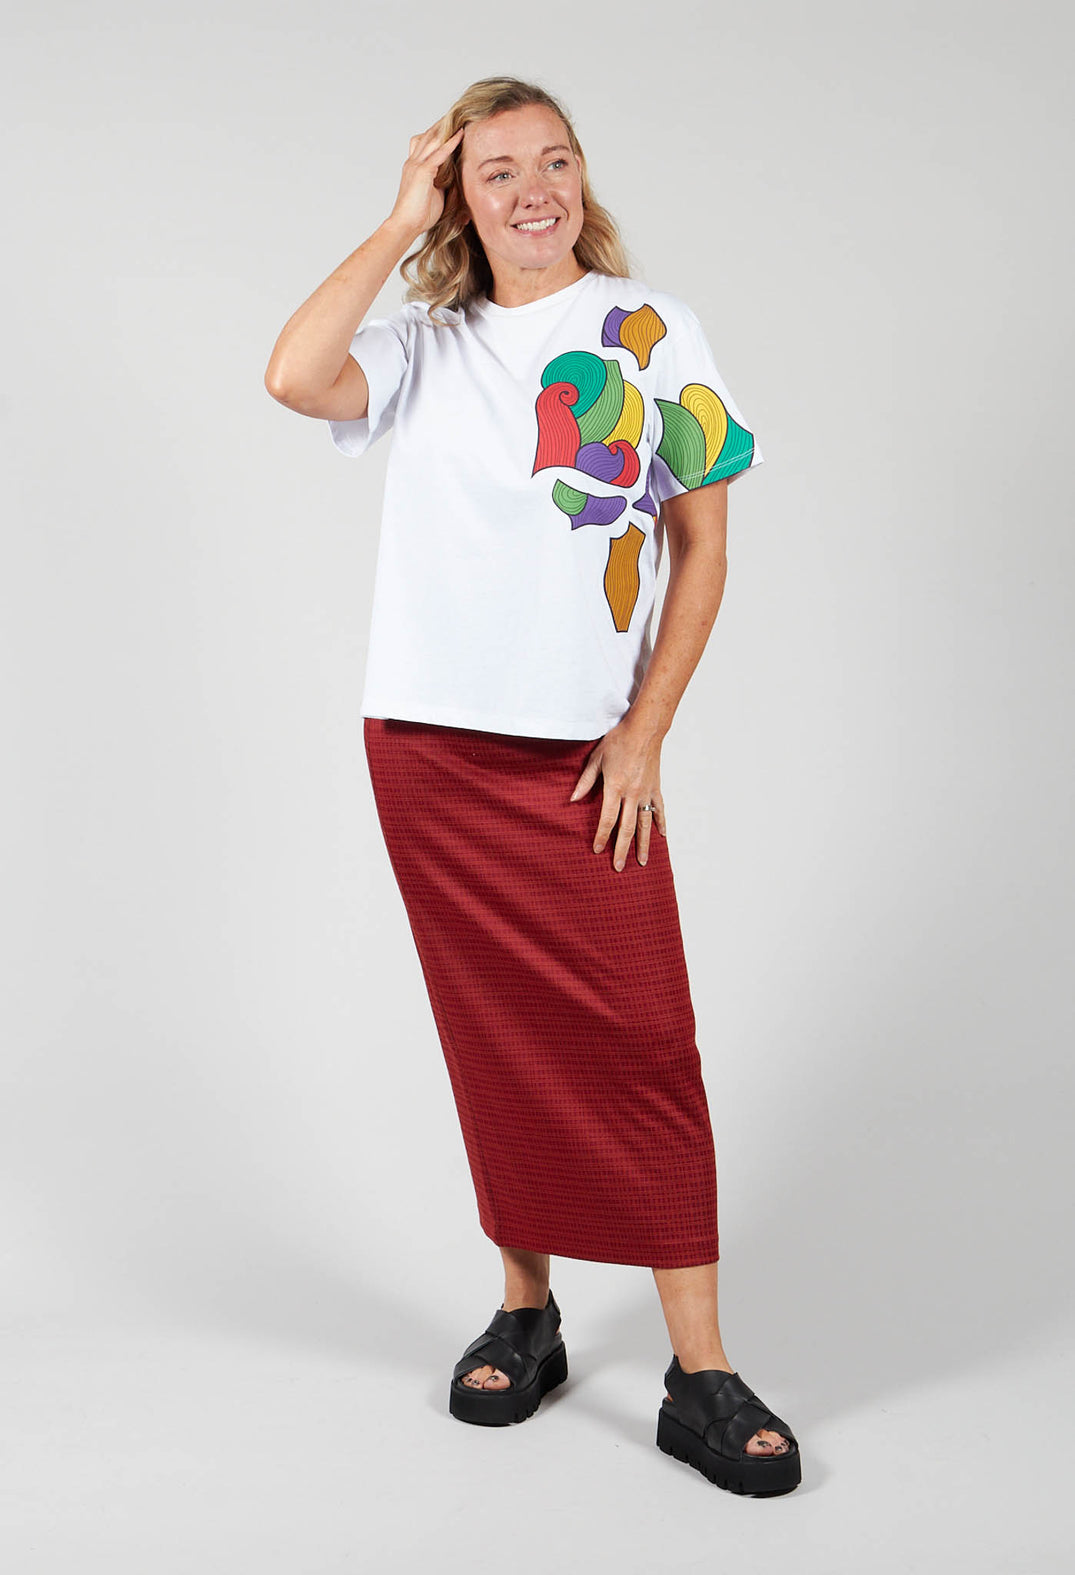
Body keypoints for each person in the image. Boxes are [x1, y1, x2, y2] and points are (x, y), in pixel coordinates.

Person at [265, 75, 801, 1497]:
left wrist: (644, 733)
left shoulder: (650, 330)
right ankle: (526, 1313)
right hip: (429, 752)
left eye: (554, 160)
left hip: (578, 756)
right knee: (493, 1036)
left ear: (582, 179)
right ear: (460, 196)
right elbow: (294, 376)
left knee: (645, 1040)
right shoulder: (426, 346)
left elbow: (705, 548)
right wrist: (398, 219)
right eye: (495, 170)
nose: (532, 190)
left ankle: (700, 1371)